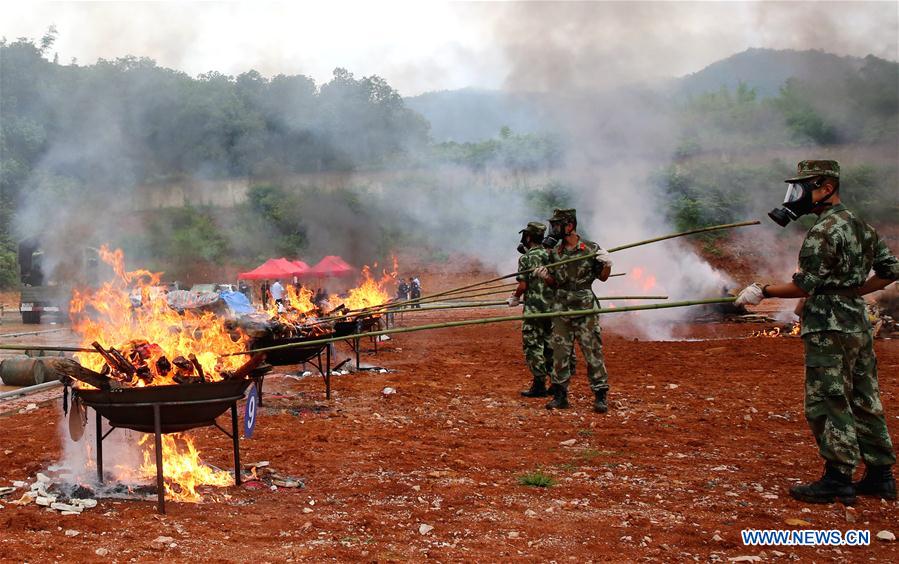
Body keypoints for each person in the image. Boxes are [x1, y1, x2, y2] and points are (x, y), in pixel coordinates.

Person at [736, 160, 898, 504]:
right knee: (865, 396)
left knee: (829, 398)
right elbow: (890, 270)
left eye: (804, 187)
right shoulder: (861, 225)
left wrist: (762, 289)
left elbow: (805, 284)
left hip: (828, 325)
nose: (797, 195)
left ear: (826, 187)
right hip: (855, 321)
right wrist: (853, 293)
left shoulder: (824, 231)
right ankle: (881, 476)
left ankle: (838, 478)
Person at [535, 208, 613, 412]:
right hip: (562, 308)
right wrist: (545, 276)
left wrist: (607, 264)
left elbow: (603, 277)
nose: (554, 229)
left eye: (557, 225)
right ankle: (560, 395)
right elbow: (554, 282)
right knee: (560, 353)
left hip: (585, 308)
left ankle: (600, 395)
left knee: (592, 351)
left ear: (570, 226)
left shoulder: (590, 249)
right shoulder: (555, 253)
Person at [508, 222, 554, 397]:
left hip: (534, 309)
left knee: (533, 346)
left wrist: (515, 297)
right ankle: (557, 383)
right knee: (550, 345)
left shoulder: (526, 258)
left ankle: (539, 384)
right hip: (551, 309)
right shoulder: (551, 255)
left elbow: (523, 285)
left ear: (528, 237)